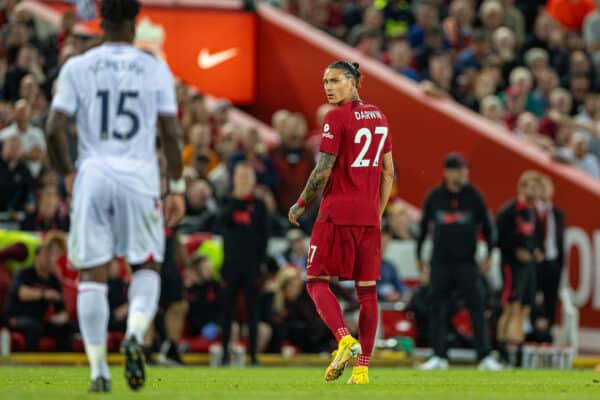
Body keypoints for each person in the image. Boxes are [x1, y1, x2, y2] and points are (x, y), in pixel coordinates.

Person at [45, 0, 185, 393]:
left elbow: (54, 127)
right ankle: (135, 334)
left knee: (91, 272)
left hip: (94, 172)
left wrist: (68, 172)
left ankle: (98, 372)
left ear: (100, 20)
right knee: (147, 265)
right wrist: (175, 186)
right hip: (139, 176)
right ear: (135, 22)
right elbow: (171, 134)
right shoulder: (154, 67)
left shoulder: (78, 66)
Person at [288, 61, 394, 385]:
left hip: (335, 213)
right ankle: (362, 369)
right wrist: (377, 212)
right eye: (325, 82)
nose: (329, 87)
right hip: (368, 217)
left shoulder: (335, 117)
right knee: (367, 292)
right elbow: (389, 172)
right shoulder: (380, 117)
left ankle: (344, 340)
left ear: (353, 82)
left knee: (315, 280)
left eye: (335, 81)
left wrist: (302, 203)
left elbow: (323, 170)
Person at [416, 153, 502, 371]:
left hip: (467, 262)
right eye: (459, 170)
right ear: (447, 172)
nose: (464, 173)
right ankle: (438, 356)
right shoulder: (435, 197)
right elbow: (423, 228)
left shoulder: (474, 196)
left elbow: (489, 227)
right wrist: (420, 259)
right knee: (438, 307)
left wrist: (489, 255)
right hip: (440, 262)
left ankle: (484, 357)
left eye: (465, 169)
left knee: (477, 307)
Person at [218, 163, 269, 366]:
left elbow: (264, 237)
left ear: (254, 181)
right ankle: (223, 354)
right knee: (226, 312)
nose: (244, 181)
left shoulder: (260, 205)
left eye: (247, 177)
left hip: (252, 266)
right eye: (240, 177)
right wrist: (236, 201)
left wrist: (261, 265)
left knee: (252, 312)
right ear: (234, 179)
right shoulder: (226, 201)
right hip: (230, 265)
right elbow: (220, 223)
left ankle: (253, 356)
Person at [496, 171, 544, 363]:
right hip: (512, 265)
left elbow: (535, 238)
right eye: (531, 187)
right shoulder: (510, 211)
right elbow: (498, 237)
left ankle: (517, 345)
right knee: (510, 306)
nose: (534, 191)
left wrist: (536, 251)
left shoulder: (531, 212)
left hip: (528, 267)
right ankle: (503, 347)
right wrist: (516, 251)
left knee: (524, 307)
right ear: (522, 188)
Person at [5, 235, 71, 351]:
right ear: (37, 256)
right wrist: (44, 295)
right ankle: (30, 364)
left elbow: (62, 311)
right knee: (33, 327)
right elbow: (22, 293)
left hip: (41, 321)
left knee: (65, 328)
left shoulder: (54, 280)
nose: (50, 259)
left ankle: (63, 365)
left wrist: (60, 318)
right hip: (16, 319)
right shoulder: (24, 273)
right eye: (46, 255)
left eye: (52, 256)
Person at [535, 175, 565, 329]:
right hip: (537, 261)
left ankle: (549, 331)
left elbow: (561, 240)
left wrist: (561, 264)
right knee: (534, 297)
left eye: (546, 188)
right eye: (541, 188)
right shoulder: (532, 212)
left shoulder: (558, 214)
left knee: (551, 298)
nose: (544, 192)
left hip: (553, 261)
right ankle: (534, 331)